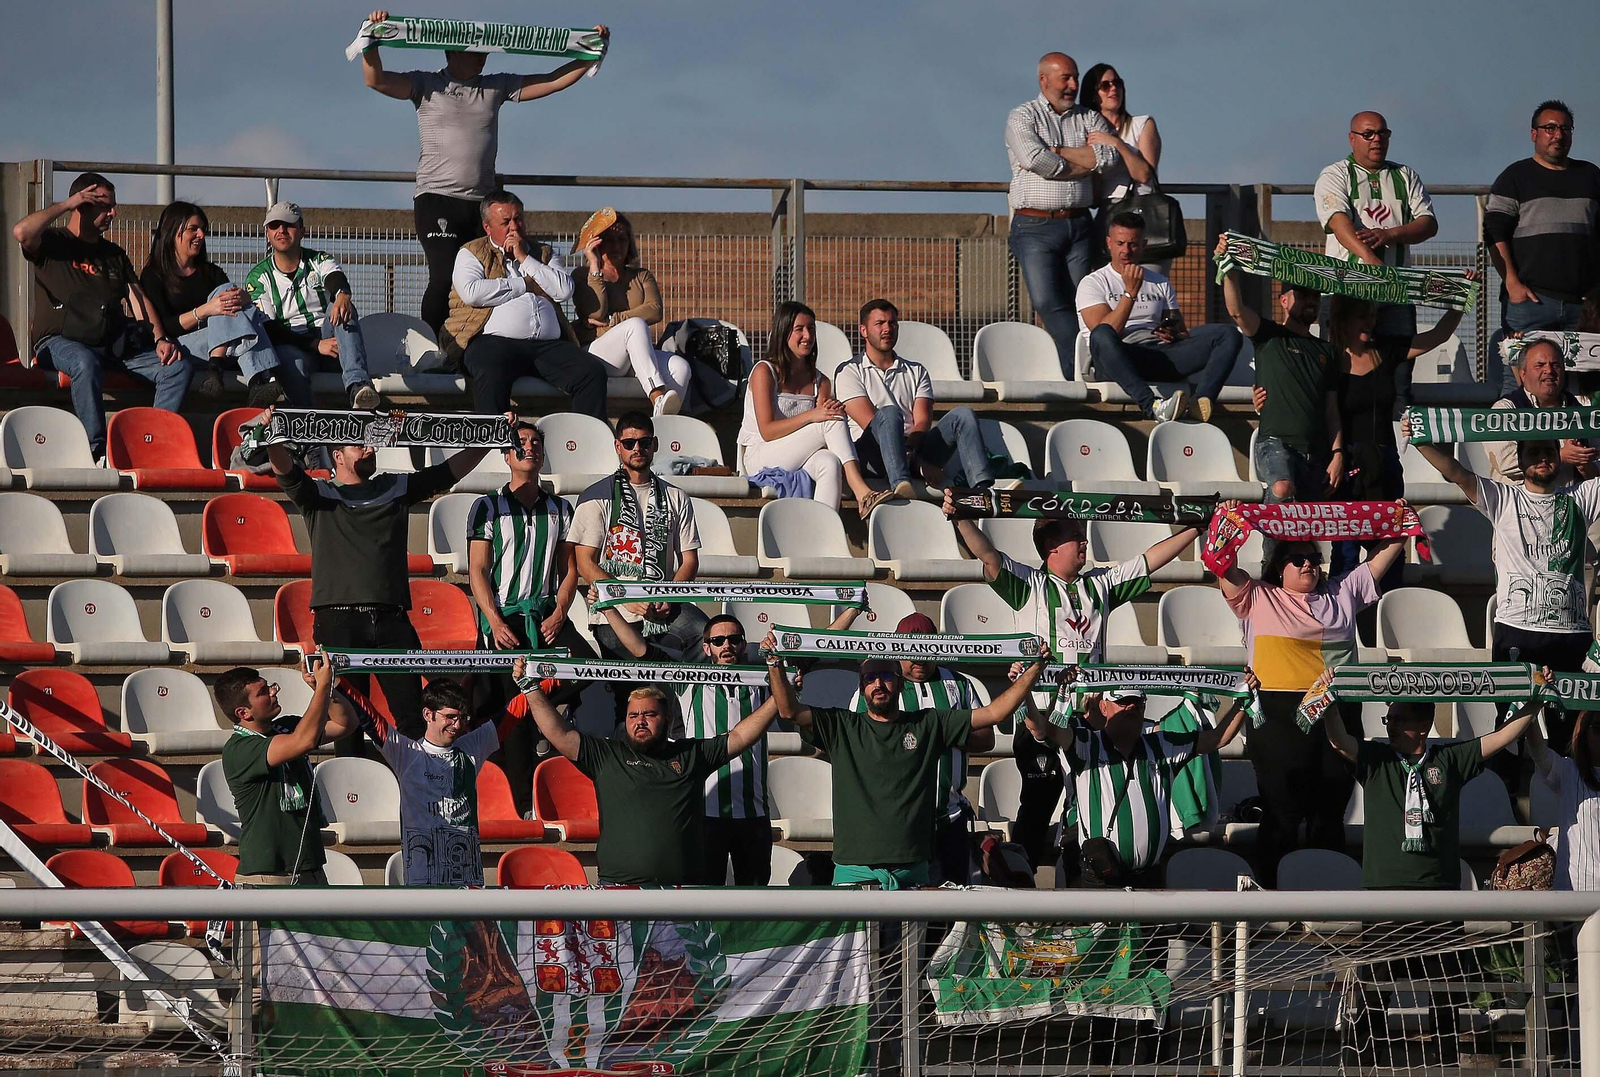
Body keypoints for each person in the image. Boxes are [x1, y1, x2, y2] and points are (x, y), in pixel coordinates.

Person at [265, 407, 506, 757]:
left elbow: (447, 471)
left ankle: (420, 789)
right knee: (348, 720)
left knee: (411, 717)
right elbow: (284, 470)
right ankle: (353, 792)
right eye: (359, 445)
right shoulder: (318, 495)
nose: (370, 449)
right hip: (339, 622)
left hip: (393, 620)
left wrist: (490, 436)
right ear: (337, 456)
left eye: (371, 444)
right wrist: (274, 432)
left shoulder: (395, 487)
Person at [1320, 688, 1539, 1069]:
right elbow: (1339, 740)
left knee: (1445, 1001)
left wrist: (1536, 702)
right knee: (1373, 996)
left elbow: (1503, 737)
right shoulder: (1376, 758)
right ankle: (1363, 1066)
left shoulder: (1449, 758)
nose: (1389, 727)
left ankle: (1445, 1066)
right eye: (1389, 720)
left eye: (1398, 720)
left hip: (1439, 899)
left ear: (1423, 726)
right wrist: (1329, 702)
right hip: (1383, 899)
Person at [359, 8, 609, 334]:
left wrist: (589, 52)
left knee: (490, 276)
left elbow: (551, 81)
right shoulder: (426, 83)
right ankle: (433, 345)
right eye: (475, 51)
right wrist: (372, 41)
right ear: (451, 51)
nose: (483, 58)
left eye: (486, 51)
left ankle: (476, 343)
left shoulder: (495, 86)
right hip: (437, 199)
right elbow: (374, 79)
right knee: (444, 275)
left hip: (483, 205)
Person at [767, 633, 1057, 887]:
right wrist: (774, 664)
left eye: (886, 676)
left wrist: (1034, 671)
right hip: (853, 870)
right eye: (870, 678)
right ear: (862, 687)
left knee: (915, 951)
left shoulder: (926, 722)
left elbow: (994, 714)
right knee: (859, 953)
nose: (878, 684)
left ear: (900, 683)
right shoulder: (842, 726)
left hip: (914, 870)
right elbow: (790, 711)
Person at [1217, 519, 1407, 885]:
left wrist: (1397, 519)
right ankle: (1271, 907)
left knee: (1329, 815)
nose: (1308, 564)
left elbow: (1389, 549)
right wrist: (1228, 524)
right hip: (1277, 716)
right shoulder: (1257, 596)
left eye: (1313, 558)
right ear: (1276, 568)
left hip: (1338, 712)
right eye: (1297, 559)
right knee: (1281, 814)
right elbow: (1223, 564)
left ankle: (1331, 904)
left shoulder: (1343, 591)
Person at [512, 654, 783, 885]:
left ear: (668, 719)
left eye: (649, 715)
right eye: (633, 716)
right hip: (618, 891)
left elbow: (739, 737)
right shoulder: (607, 755)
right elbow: (559, 733)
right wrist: (530, 689)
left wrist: (779, 695)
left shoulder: (690, 755)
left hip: (683, 895)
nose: (640, 721)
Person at [1413, 436, 1600, 753]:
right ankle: (1508, 795)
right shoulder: (1504, 498)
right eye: (1533, 452)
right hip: (1517, 632)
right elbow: (1457, 473)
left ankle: (1570, 801)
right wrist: (1420, 441)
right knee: (1507, 732)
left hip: (1571, 636)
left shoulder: (1581, 497)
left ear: (1559, 456)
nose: (1542, 458)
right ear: (1521, 460)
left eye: (1548, 451)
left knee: (1571, 739)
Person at [12, 172, 200, 460]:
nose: (113, 212)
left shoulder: (113, 254)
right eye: (104, 205)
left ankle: (150, 443)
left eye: (114, 205)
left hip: (110, 342)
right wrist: (67, 203)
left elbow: (139, 299)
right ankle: (95, 451)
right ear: (82, 205)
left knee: (177, 367)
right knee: (84, 363)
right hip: (61, 341)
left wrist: (160, 338)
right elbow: (21, 232)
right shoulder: (53, 242)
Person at [465, 419, 593, 813]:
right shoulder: (486, 506)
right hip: (506, 616)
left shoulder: (560, 508)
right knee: (511, 713)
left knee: (588, 666)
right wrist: (495, 620)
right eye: (521, 443)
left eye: (536, 442)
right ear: (506, 455)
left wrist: (560, 612)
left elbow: (569, 569)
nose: (530, 448)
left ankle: (543, 713)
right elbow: (478, 571)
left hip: (545, 613)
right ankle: (522, 803)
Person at [946, 490, 1198, 668]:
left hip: (1091, 713)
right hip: (1044, 708)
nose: (1085, 541)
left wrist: (1198, 526)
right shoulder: (1030, 584)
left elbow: (1150, 560)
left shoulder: (1101, 585)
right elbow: (988, 556)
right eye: (1076, 536)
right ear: (1052, 546)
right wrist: (961, 518)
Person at [845, 612, 994, 886]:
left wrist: (940, 733)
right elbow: (857, 741)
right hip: (898, 822)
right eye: (911, 652)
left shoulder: (959, 684)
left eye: (926, 651)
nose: (918, 660)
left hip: (949, 816)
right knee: (905, 909)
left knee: (950, 909)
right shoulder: (875, 688)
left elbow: (986, 739)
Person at [1328, 295, 1463, 581]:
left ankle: (1388, 611)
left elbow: (1438, 336)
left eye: (1372, 315)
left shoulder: (1386, 352)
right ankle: (1343, 619)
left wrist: (1460, 299)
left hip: (1385, 459)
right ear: (1344, 320)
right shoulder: (1328, 358)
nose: (1370, 322)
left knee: (1390, 545)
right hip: (1348, 462)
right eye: (1362, 316)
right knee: (1346, 549)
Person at [441, 189, 608, 420]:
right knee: (489, 370)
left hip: (547, 346)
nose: (514, 227)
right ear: (488, 227)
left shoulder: (543, 252)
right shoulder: (471, 252)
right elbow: (472, 293)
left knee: (591, 373)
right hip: (492, 343)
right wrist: (525, 285)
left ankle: (585, 443)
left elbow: (563, 290)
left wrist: (524, 258)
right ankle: (493, 448)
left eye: (518, 219)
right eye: (505, 222)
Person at [1005, 52, 1120, 376]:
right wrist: (1081, 164)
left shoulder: (1089, 118)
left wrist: (1056, 153)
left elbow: (1109, 157)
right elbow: (1033, 159)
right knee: (1047, 302)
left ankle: (1088, 370)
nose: (1073, 85)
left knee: (1084, 301)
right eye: (1065, 78)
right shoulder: (1022, 116)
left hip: (1079, 224)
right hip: (1034, 225)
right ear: (1044, 80)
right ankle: (1077, 372)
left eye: (1075, 77)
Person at [1313, 112, 1437, 406]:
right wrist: (1370, 258)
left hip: (1395, 293)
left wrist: (1390, 234)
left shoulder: (1405, 175)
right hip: (1345, 292)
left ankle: (1395, 445)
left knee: (1397, 381)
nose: (1377, 139)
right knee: (1338, 376)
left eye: (1383, 133)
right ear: (1351, 138)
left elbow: (1429, 224)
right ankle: (1338, 447)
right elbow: (1337, 221)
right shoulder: (1335, 174)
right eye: (1368, 134)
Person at [1078, 213, 1242, 423]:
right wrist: (1130, 293)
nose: (1126, 251)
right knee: (1101, 333)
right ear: (1109, 243)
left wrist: (1173, 333)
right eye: (1120, 243)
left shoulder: (1159, 282)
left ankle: (1200, 402)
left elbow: (1181, 330)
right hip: (1118, 358)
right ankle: (1152, 406)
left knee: (1227, 334)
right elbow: (1106, 332)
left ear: (1144, 245)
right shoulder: (1093, 283)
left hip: (1159, 354)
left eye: (1133, 244)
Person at [571, 412, 708, 658]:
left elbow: (689, 560)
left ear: (654, 445)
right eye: (629, 443)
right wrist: (625, 598)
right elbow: (585, 562)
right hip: (614, 610)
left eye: (644, 443)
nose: (637, 449)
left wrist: (669, 596)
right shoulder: (596, 496)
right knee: (636, 680)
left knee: (708, 636)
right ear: (617, 446)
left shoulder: (676, 497)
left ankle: (691, 697)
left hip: (662, 604)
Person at [1215, 236, 1340, 505]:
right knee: (1282, 488)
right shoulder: (1269, 335)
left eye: (1315, 296)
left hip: (1316, 451)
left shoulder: (1328, 351)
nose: (1311, 301)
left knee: (1309, 527)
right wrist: (1230, 267)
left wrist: (1337, 453)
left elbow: (1332, 410)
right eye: (1303, 294)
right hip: (1275, 444)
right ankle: (1272, 544)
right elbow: (1236, 311)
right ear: (1283, 300)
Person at [1486, 101, 1600, 391]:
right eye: (1549, 128)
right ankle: (1515, 439)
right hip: (1530, 304)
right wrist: (1511, 282)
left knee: (1578, 388)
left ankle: (1572, 440)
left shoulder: (1591, 176)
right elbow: (1494, 232)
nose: (1557, 135)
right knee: (1518, 384)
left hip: (1582, 306)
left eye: (1564, 128)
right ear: (1534, 134)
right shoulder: (1514, 177)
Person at [217, 655, 359, 885]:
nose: (273, 692)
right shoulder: (239, 749)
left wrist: (325, 690)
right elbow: (303, 741)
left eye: (269, 687)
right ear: (243, 713)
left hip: (310, 866)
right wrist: (321, 688)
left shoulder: (286, 726)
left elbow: (345, 724)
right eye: (263, 692)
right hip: (269, 873)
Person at [738, 301, 890, 514]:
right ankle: (862, 492)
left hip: (801, 455)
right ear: (784, 332)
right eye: (799, 329)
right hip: (760, 455)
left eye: (811, 328)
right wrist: (813, 415)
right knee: (829, 420)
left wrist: (830, 411)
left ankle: (823, 533)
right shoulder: (764, 371)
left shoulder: (821, 381)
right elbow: (767, 430)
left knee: (829, 461)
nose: (807, 336)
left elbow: (824, 430)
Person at [835, 299, 996, 497]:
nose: (887, 329)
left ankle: (983, 490)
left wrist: (913, 454)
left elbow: (922, 422)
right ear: (864, 330)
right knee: (889, 413)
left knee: (963, 415)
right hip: (872, 455)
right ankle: (902, 485)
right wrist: (919, 463)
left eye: (892, 323)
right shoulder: (848, 372)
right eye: (880, 324)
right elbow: (870, 423)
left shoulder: (916, 371)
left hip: (913, 447)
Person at [375, 676, 525, 886]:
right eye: (450, 717)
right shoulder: (407, 753)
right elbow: (369, 717)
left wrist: (540, 683)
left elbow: (515, 710)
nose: (457, 725)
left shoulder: (471, 746)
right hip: (423, 887)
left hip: (468, 883)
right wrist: (334, 684)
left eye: (463, 718)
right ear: (428, 714)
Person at [242, 202, 381, 410]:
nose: (281, 231)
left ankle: (358, 386)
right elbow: (271, 330)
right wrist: (315, 345)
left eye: (289, 225)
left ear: (302, 231)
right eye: (274, 226)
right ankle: (305, 429)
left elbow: (335, 277)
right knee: (290, 361)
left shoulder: (319, 259)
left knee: (342, 307)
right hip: (294, 343)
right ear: (267, 234)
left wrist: (343, 294)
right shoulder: (258, 277)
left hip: (330, 338)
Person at [572, 210, 690, 416]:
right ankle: (657, 395)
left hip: (635, 354)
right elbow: (597, 312)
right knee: (635, 325)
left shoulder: (642, 275)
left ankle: (662, 424)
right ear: (597, 242)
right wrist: (594, 266)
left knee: (681, 367)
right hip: (597, 354)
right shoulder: (582, 275)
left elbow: (655, 310)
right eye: (609, 240)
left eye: (622, 239)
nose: (617, 246)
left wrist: (614, 319)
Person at [137, 201, 257, 396]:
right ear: (173, 231)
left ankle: (218, 368)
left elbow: (232, 313)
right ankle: (262, 378)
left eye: (203, 229)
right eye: (193, 229)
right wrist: (206, 310)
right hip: (180, 348)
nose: (201, 235)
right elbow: (164, 327)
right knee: (244, 323)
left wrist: (244, 298)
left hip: (225, 346)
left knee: (232, 297)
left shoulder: (212, 272)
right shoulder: (153, 275)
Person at [1077, 63, 1161, 269]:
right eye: (1105, 85)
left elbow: (1143, 175)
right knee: (1109, 291)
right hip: (1108, 215)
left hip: (1143, 212)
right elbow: (1095, 197)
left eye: (1117, 83)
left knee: (1148, 293)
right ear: (1093, 94)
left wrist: (1116, 143)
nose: (1114, 89)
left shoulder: (1142, 125)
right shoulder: (1087, 132)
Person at [1489, 338, 1593, 484]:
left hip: (1571, 502)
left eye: (1555, 365)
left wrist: (1584, 464)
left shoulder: (1582, 411)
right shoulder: (1505, 409)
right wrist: (1562, 456)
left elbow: (1596, 472)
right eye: (1540, 365)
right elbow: (1506, 463)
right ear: (1523, 374)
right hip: (1519, 502)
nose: (1549, 370)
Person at [1528, 705, 1600, 890]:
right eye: (1598, 728)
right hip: (1579, 893)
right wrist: (1530, 707)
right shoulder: (1567, 771)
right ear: (1583, 734)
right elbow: (1538, 750)